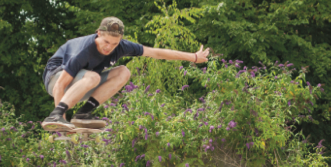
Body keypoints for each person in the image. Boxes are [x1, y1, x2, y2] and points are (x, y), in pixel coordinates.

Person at [41, 16, 210, 132]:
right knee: (93, 76)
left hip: (81, 84)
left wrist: (194, 57)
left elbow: (156, 52)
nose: (109, 47)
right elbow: (59, 85)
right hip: (55, 78)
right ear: (98, 34)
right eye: (106, 42)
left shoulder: (123, 46)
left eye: (114, 44)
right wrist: (60, 123)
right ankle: (55, 115)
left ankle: (83, 114)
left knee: (123, 72)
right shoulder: (83, 49)